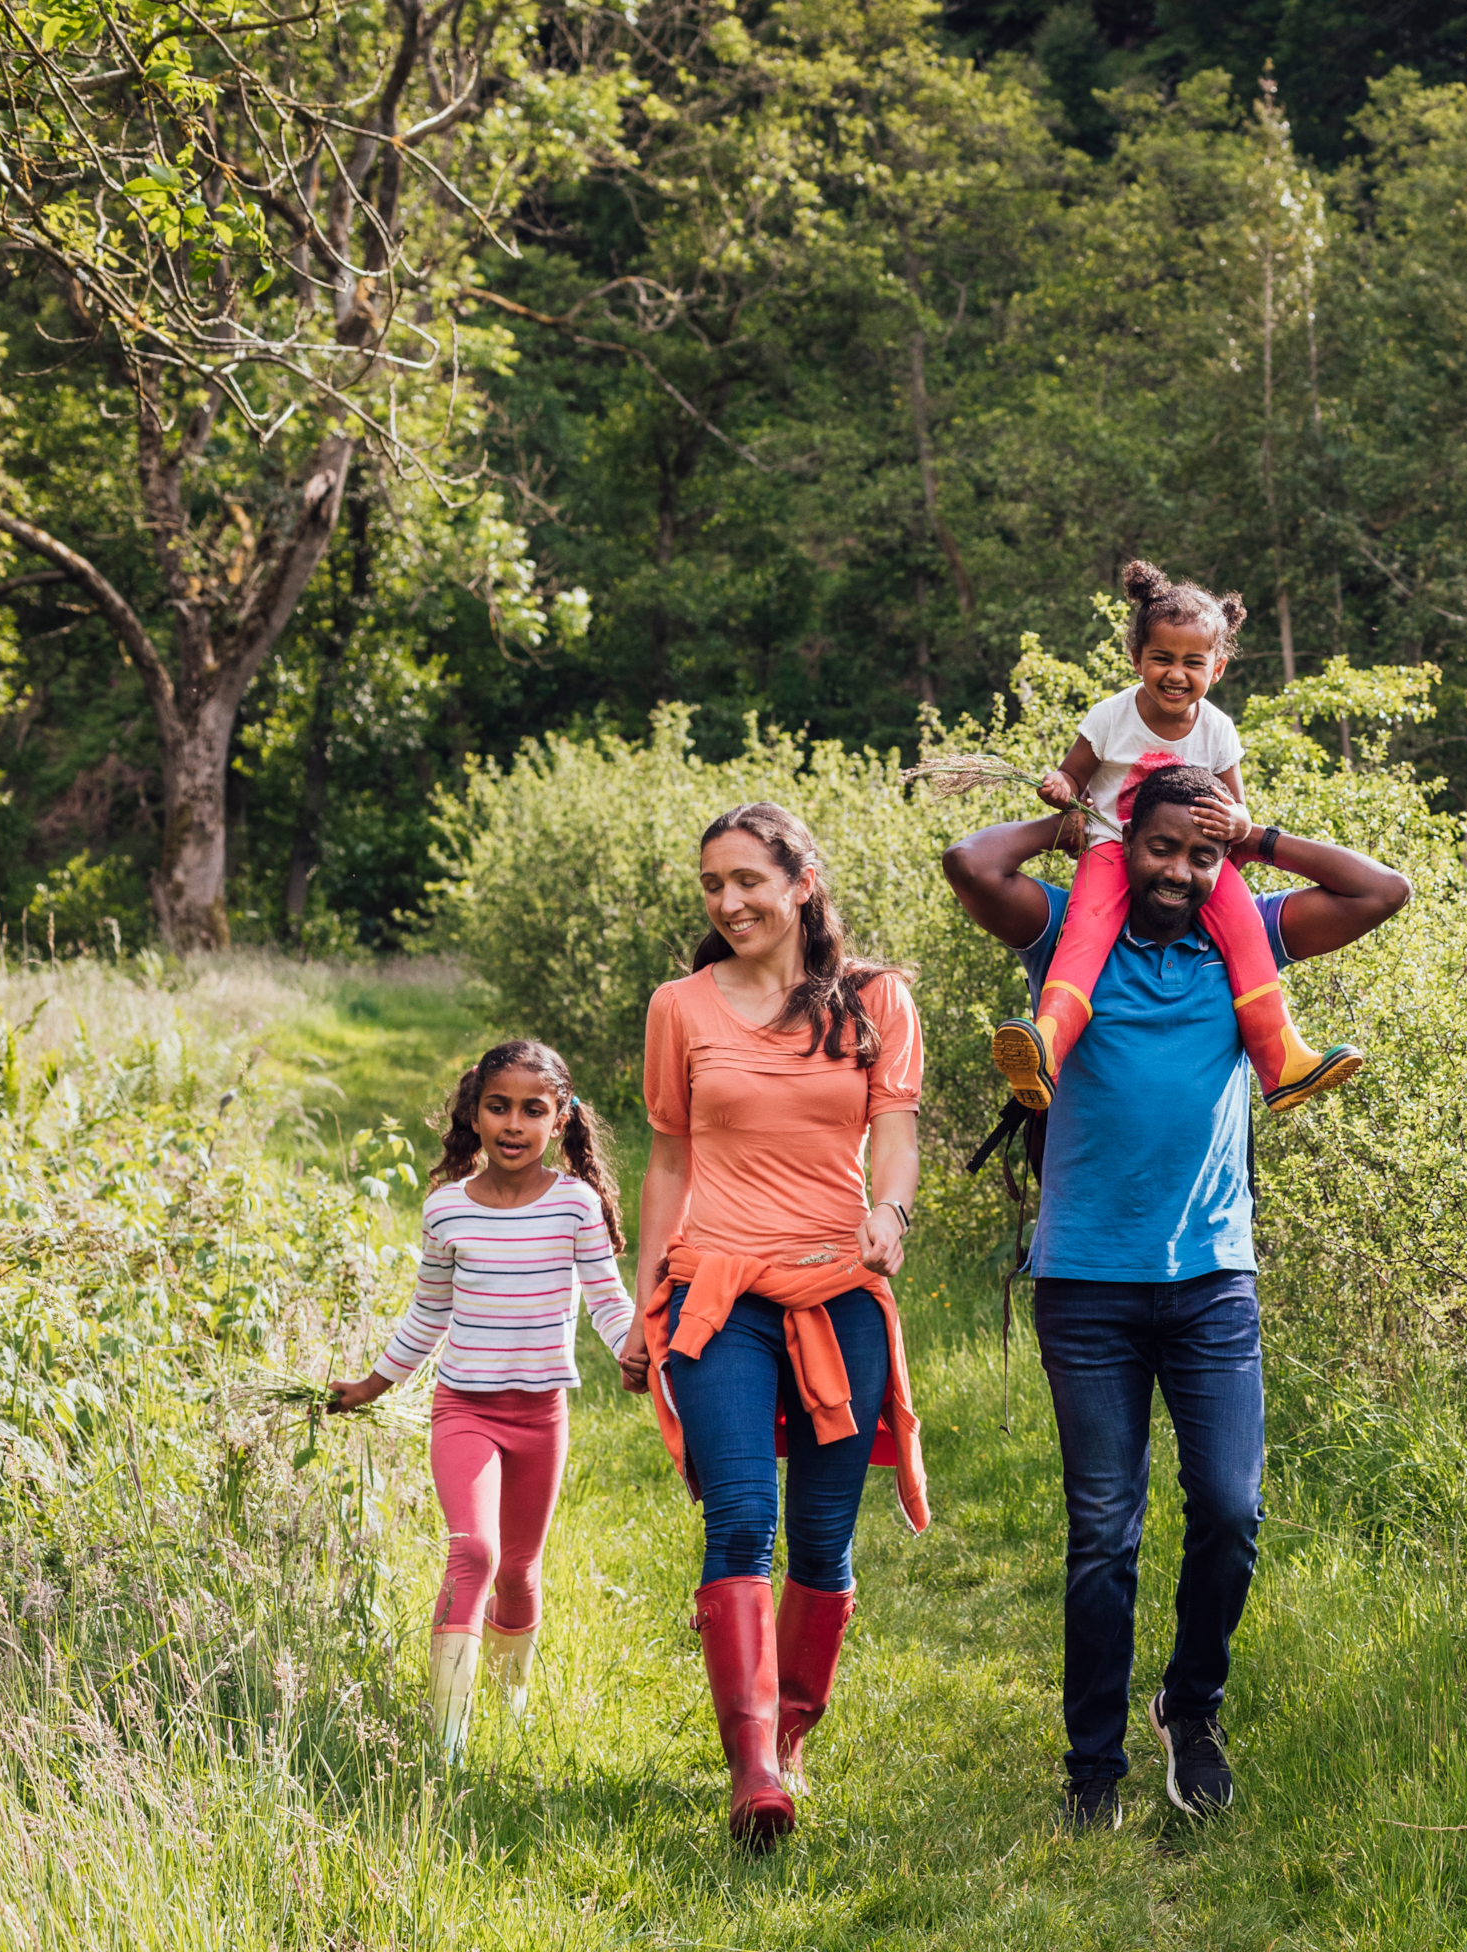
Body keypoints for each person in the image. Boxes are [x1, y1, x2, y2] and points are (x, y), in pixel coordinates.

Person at [943, 762, 1411, 1828]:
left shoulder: (1243, 933)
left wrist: (1260, 842)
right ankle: (1091, 1769)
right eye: (1161, 849)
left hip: (1211, 1282)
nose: (1179, 870)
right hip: (1084, 1283)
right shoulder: (1070, 929)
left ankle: (1188, 1710)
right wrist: (1068, 831)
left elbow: (1383, 891)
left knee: (1232, 1514)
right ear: (1127, 850)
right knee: (1104, 1531)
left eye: (1198, 854)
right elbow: (970, 864)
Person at [616, 802, 928, 1851]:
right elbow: (667, 1160)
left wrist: (889, 1215)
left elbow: (894, 1134)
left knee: (825, 1538)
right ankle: (755, 1775)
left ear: (802, 881)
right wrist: (639, 1307)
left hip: (841, 1290)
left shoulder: (875, 999)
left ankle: (791, 1735)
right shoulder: (680, 1007)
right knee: (740, 1515)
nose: (729, 901)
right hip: (714, 1295)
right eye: (712, 886)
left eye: (748, 879)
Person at [332, 1040, 636, 1763]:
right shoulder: (446, 1210)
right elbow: (426, 1314)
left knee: (521, 1571)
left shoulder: (575, 1205)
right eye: (498, 1106)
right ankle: (446, 1742)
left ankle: (509, 1703)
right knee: (475, 1550)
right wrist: (372, 1385)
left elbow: (608, 1303)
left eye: (533, 1109)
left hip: (541, 1416)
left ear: (560, 1120)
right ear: (475, 1112)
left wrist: (637, 1353)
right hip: (463, 1408)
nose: (513, 1123)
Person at [989, 559, 1361, 1118]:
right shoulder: (1110, 716)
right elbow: (1074, 774)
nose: (1175, 673)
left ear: (1218, 668)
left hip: (1204, 855)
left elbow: (1237, 807)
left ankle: (1282, 1058)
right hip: (1115, 844)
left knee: (1245, 935)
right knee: (1085, 934)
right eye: (1161, 658)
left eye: (1193, 662)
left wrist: (1239, 826)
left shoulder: (1217, 728)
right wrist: (1060, 787)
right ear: (1136, 658)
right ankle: (1047, 1047)